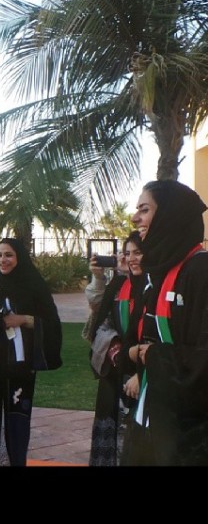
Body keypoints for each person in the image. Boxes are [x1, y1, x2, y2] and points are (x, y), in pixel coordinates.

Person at [122, 179, 208, 466]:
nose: (135, 218)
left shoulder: (201, 271)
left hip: (190, 434)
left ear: (171, 215)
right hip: (152, 418)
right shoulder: (160, 272)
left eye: (144, 209)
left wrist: (154, 355)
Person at [0, 237, 62, 466]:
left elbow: (52, 324)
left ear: (19, 258)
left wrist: (23, 319)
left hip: (19, 368)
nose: (2, 260)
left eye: (8, 255)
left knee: (16, 421)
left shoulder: (34, 287)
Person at [84, 231, 143, 466]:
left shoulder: (156, 285)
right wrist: (99, 278)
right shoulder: (120, 285)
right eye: (127, 253)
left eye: (138, 252)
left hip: (145, 373)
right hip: (115, 371)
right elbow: (99, 318)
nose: (131, 258)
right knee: (111, 439)